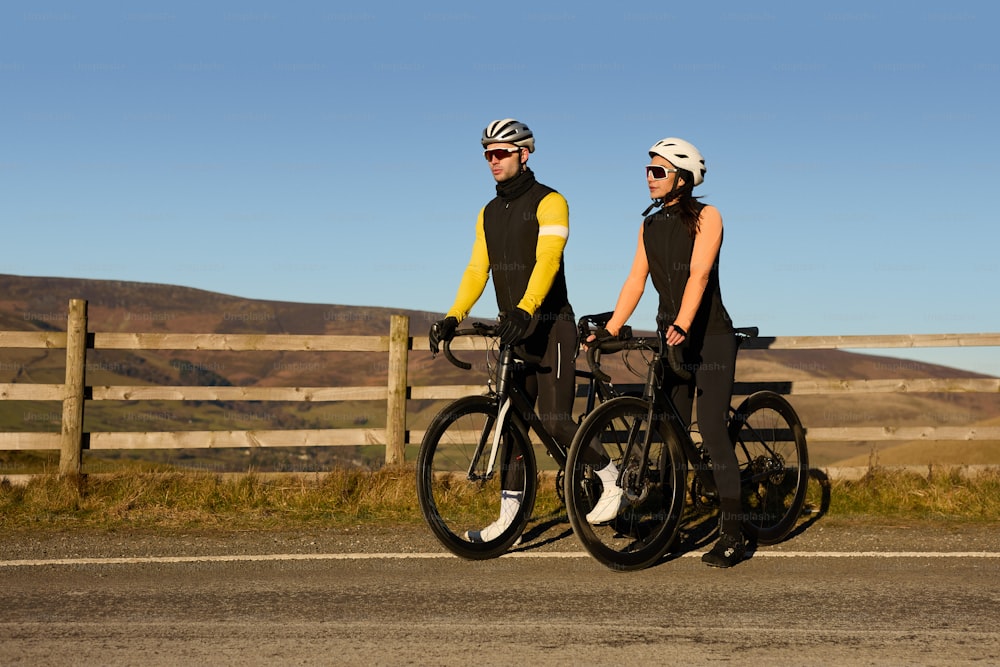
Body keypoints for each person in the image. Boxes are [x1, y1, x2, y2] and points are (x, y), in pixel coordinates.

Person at [591, 137, 745, 568]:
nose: (649, 177)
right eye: (647, 170)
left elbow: (698, 275)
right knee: (667, 431)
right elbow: (635, 282)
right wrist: (611, 328)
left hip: (708, 336)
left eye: (658, 171)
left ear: (682, 177)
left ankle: (733, 534)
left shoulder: (707, 217)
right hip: (671, 338)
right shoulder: (649, 226)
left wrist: (683, 321)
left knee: (712, 430)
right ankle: (667, 520)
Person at [428, 118, 577, 543]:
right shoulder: (488, 213)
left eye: (501, 153)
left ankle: (610, 479)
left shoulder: (551, 201)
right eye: (487, 154)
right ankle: (508, 519)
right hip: (516, 331)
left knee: (556, 419)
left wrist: (526, 308)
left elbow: (548, 261)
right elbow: (478, 268)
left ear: (524, 154)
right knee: (510, 424)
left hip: (551, 327)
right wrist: (453, 315)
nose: (492, 161)